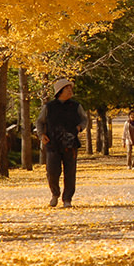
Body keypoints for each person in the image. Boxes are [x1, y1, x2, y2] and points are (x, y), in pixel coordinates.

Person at [35, 77, 88, 208]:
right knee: (52, 172)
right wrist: (41, 134)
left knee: (70, 172)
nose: (70, 91)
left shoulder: (76, 106)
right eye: (67, 88)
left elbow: (84, 119)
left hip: (71, 144)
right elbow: (39, 122)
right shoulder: (49, 107)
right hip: (53, 143)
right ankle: (55, 194)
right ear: (59, 91)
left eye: (71, 88)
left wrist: (80, 127)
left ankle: (67, 199)